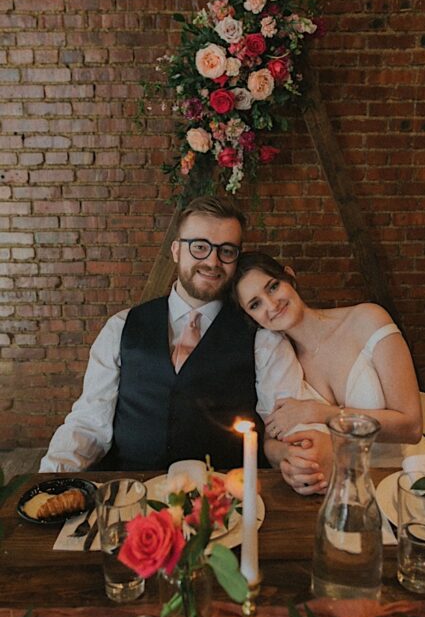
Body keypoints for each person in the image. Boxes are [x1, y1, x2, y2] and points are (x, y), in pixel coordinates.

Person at [40, 197, 308, 472]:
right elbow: (89, 423)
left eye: (226, 251)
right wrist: (49, 479)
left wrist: (293, 457)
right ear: (177, 250)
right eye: (200, 247)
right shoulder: (120, 327)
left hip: (224, 499)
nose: (212, 262)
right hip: (132, 494)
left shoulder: (262, 337)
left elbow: (281, 424)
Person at [232, 252, 423, 495]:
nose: (271, 305)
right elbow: (270, 441)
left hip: (399, 482)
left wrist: (320, 413)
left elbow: (412, 427)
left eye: (273, 287)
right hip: (335, 492)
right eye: (255, 304)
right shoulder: (279, 361)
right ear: (251, 317)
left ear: (290, 277)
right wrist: (286, 457)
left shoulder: (367, 319)